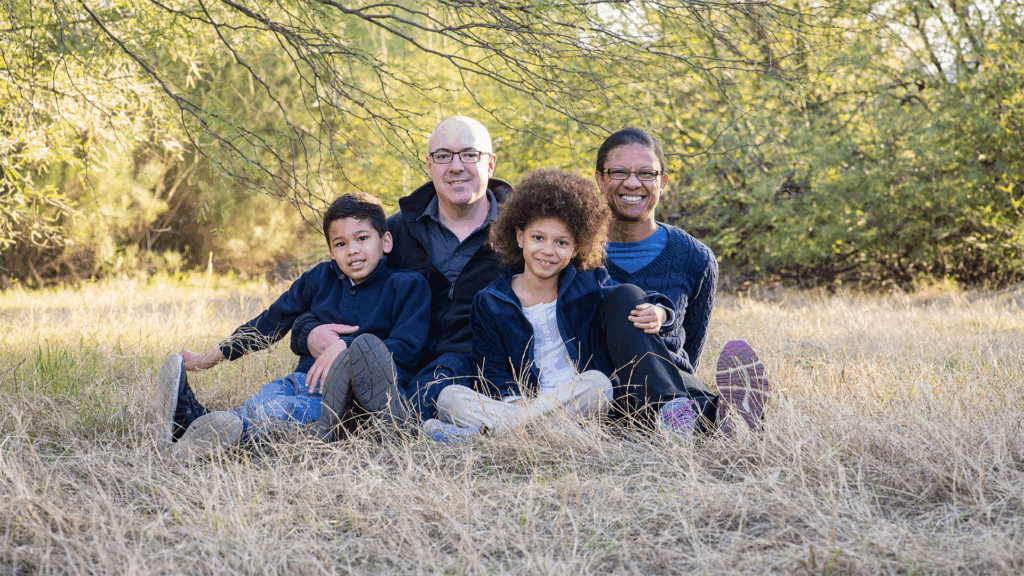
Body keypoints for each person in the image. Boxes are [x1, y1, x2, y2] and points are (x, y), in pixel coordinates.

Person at [434, 169, 714, 437]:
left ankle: (490, 432)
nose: (547, 251)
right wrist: (516, 404)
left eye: (561, 243)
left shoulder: (588, 283)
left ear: (577, 248)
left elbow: (628, 298)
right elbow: (492, 370)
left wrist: (661, 311)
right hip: (528, 403)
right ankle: (541, 429)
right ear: (520, 237)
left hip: (582, 396)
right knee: (449, 396)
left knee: (599, 383)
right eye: (538, 238)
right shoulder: (490, 301)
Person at [152, 192, 431, 458]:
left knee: (280, 412)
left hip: (344, 401)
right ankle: (194, 421)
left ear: (386, 242)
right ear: (332, 250)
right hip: (300, 380)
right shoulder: (319, 278)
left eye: (362, 238)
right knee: (265, 398)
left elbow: (407, 348)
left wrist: (344, 349)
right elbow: (271, 321)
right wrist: (210, 357)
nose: (352, 251)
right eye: (341, 244)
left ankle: (212, 429)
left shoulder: (406, 286)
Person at [289, 116, 513, 431]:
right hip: (395, 365)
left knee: (439, 379)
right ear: (429, 165)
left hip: (472, 371)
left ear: (489, 164)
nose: (456, 166)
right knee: (303, 401)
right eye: (443, 156)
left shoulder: (521, 235)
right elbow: (329, 291)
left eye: (469, 155)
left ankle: (393, 426)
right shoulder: (392, 232)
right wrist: (309, 333)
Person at [594, 127, 768, 436]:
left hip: (669, 379)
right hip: (602, 389)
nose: (633, 183)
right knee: (624, 298)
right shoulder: (573, 251)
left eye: (646, 173)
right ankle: (715, 413)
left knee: (674, 371)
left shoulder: (695, 258)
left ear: (663, 182)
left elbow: (690, 350)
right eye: (619, 172)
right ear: (599, 179)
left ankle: (690, 414)